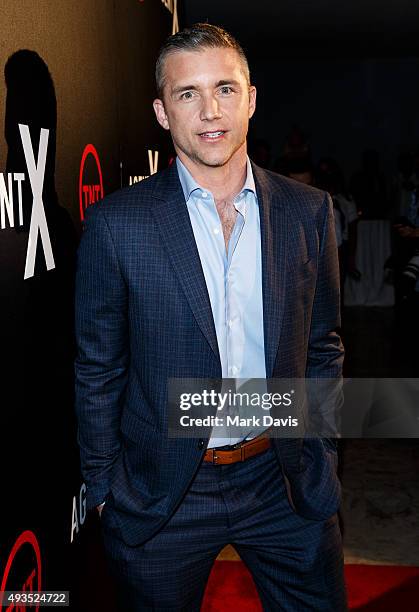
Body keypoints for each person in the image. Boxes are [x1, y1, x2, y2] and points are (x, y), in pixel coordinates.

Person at [75, 23, 346, 611]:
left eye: (225, 88)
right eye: (187, 93)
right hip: (164, 491)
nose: (209, 111)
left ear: (251, 98)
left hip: (283, 477)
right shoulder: (117, 225)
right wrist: (105, 488)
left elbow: (323, 345)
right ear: (161, 111)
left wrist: (321, 450)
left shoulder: (309, 213)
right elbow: (98, 368)